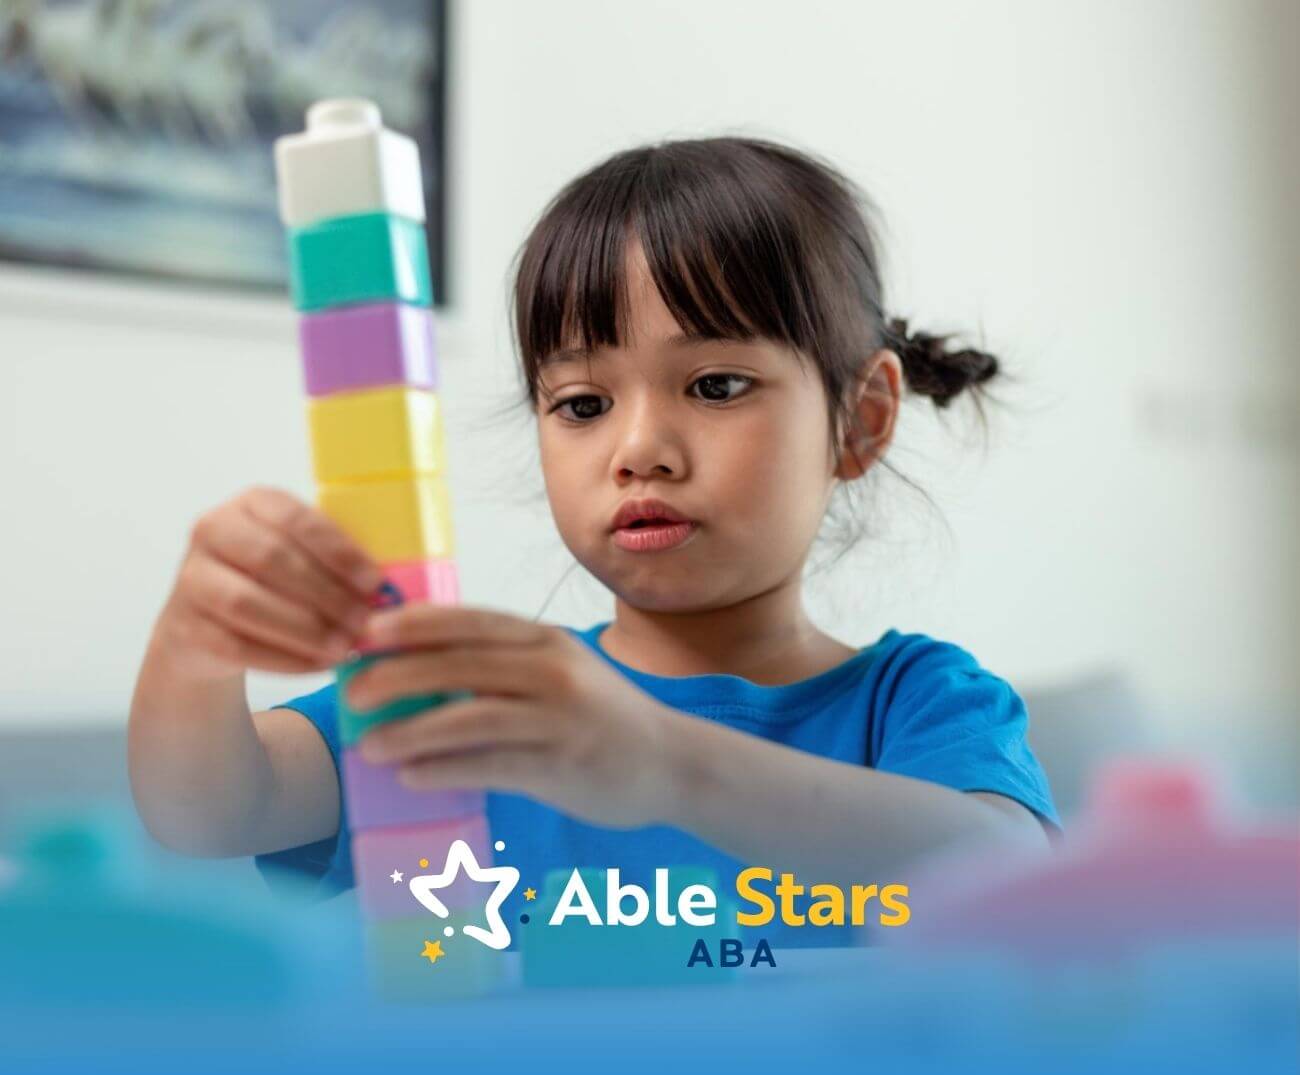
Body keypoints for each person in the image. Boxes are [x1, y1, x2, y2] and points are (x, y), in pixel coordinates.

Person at [129, 137, 1059, 947]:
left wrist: (666, 764)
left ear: (860, 419)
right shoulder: (479, 707)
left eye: (717, 385)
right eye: (582, 404)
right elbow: (209, 808)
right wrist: (197, 644)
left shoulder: (920, 705)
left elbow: (1008, 881)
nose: (638, 450)